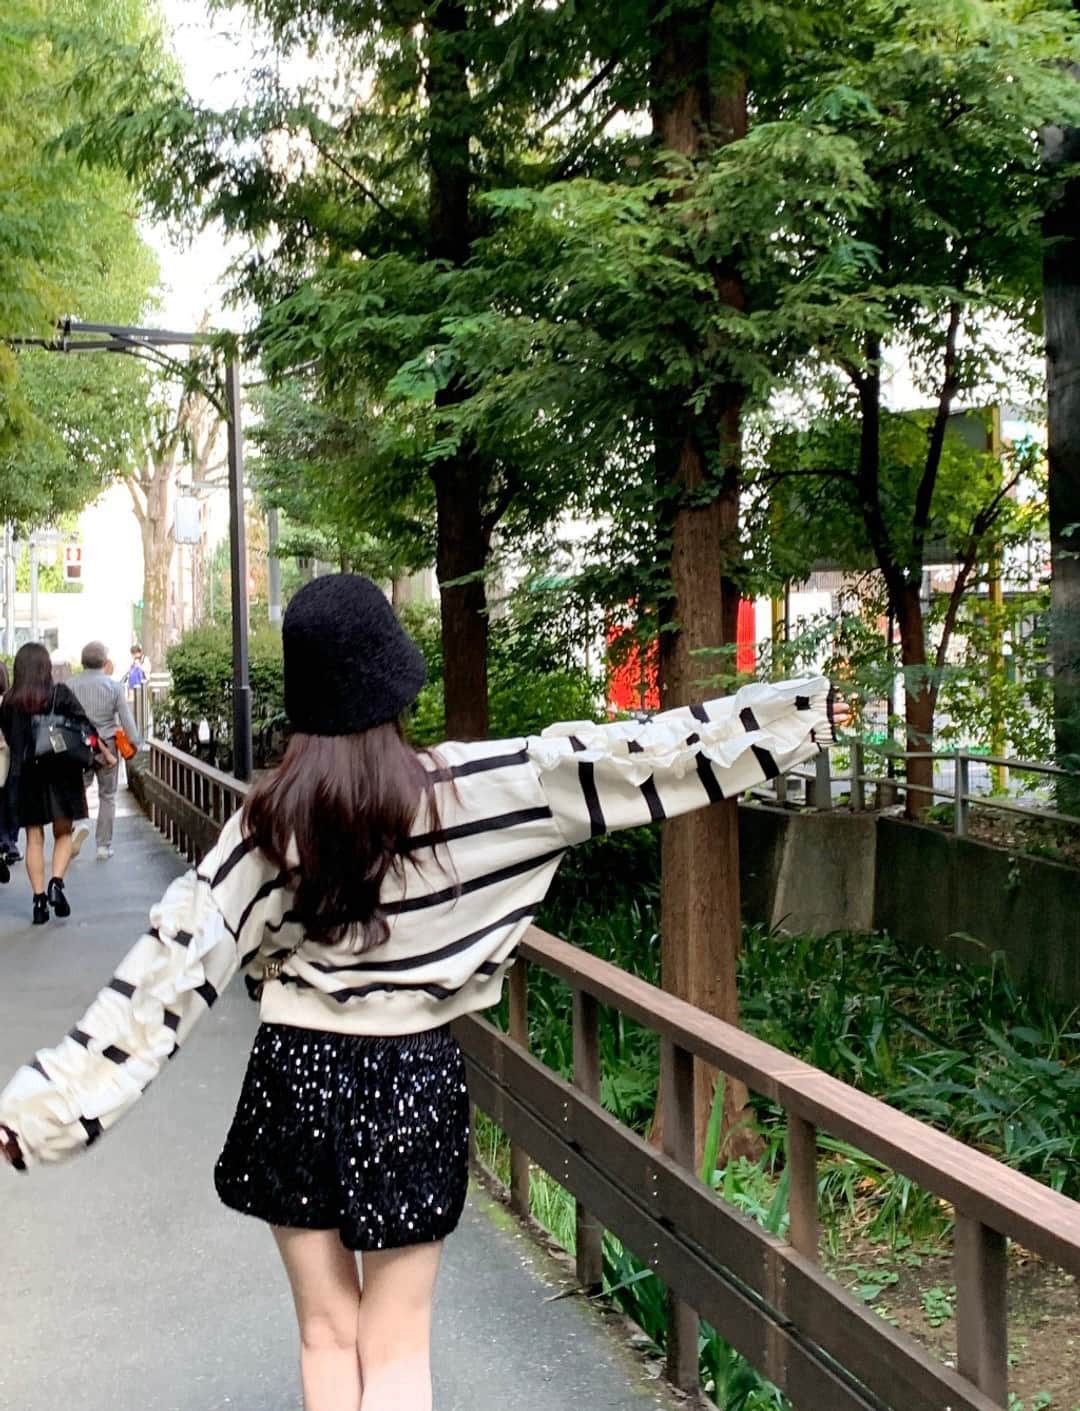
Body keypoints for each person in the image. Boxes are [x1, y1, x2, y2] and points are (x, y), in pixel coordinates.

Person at [0, 575, 848, 1411]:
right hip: (411, 1075)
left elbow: (166, 971)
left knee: (326, 1333)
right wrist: (801, 715)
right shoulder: (479, 787)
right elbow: (642, 755)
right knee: (398, 1343)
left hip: (294, 1073)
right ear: (395, 682)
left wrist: (41, 1113)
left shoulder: (266, 825)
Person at [0, 643, 104, 925]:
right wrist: (100, 752)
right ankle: (56, 883)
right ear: (46, 667)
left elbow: (9, 737)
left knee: (34, 839)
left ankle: (38, 902)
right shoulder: (60, 694)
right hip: (61, 773)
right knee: (63, 833)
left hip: (25, 775)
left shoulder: (9, 702)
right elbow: (86, 728)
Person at [69, 640, 143, 862]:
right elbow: (126, 719)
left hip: (79, 745)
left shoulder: (70, 686)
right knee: (108, 795)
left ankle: (77, 824)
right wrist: (135, 742)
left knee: (77, 788)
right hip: (107, 746)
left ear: (83, 662)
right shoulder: (114, 687)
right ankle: (103, 846)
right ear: (105, 662)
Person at [0, 662, 22, 868]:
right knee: (9, 800)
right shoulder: (9, 701)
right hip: (6, 758)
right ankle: (9, 842)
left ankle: (5, 842)